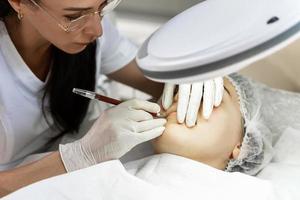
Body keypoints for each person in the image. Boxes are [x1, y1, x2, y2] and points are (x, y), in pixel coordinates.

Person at [0, 0, 224, 196]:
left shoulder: (90, 26)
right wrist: (77, 157)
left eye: (103, 6)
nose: (97, 30)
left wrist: (194, 76)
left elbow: (163, 84)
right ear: (19, 2)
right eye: (73, 16)